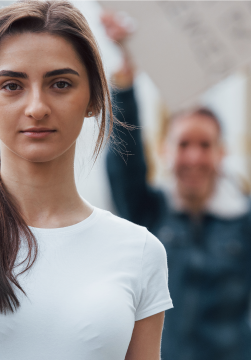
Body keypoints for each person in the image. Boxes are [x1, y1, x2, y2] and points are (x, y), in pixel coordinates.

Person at [0, 1, 173, 359]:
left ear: (93, 98)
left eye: (60, 83)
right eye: (12, 85)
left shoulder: (139, 251)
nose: (37, 107)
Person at [103, 11, 251, 360]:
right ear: (166, 151)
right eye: (184, 144)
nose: (195, 157)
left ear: (221, 153)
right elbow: (124, 163)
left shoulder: (244, 221)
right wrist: (124, 80)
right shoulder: (147, 213)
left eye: (205, 145)